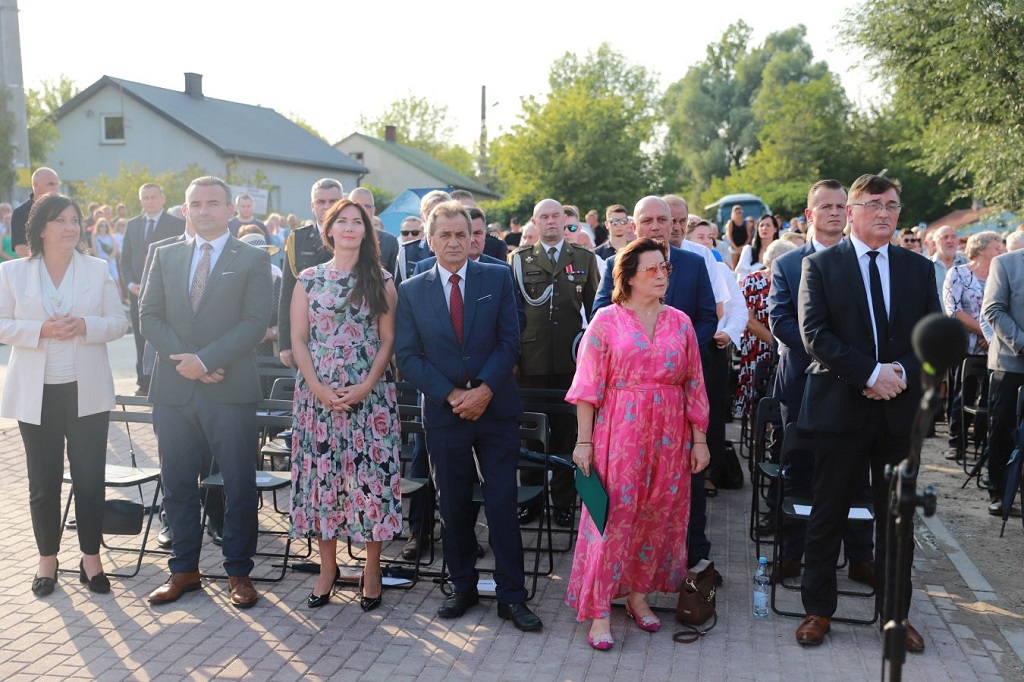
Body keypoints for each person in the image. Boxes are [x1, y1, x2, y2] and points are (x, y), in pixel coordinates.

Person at [795, 174, 939, 652]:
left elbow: (932, 335)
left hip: (899, 413)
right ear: (851, 211)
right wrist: (870, 374)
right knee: (828, 512)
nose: (884, 213)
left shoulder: (917, 268)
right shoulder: (820, 265)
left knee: (898, 520)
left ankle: (895, 615)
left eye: (892, 205)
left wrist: (897, 371)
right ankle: (818, 610)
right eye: (874, 204)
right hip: (840, 409)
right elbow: (815, 334)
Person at [395, 200, 543, 633]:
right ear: (430, 239)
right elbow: (408, 356)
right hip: (445, 414)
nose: (455, 242)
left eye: (462, 233)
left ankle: (512, 595)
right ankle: (462, 586)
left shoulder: (496, 277)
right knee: (453, 504)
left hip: (496, 410)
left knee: (501, 503)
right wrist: (454, 395)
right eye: (445, 234)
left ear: (473, 236)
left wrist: (484, 390)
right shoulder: (411, 290)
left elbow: (510, 340)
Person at [566, 237, 710, 650]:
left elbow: (694, 384)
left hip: (670, 435)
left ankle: (638, 597)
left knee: (658, 517)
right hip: (620, 433)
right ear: (628, 277)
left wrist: (700, 440)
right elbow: (587, 387)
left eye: (665, 268)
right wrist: (583, 442)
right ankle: (598, 611)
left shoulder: (680, 322)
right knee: (613, 519)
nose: (662, 275)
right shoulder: (606, 321)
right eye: (652, 269)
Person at [140, 176, 272, 609]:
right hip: (173, 390)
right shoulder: (164, 253)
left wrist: (208, 359)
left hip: (230, 389)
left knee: (237, 483)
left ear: (230, 209)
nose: (204, 210)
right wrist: (192, 362)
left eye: (213, 203)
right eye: (196, 203)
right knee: (177, 482)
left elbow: (255, 322)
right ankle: (184, 570)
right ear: (185, 210)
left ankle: (239, 572)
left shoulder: (252, 257)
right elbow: (149, 315)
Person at [0, 193, 129, 596]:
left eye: (74, 220)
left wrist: (85, 325)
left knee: (90, 479)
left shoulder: (96, 268)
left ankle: (91, 559)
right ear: (40, 228)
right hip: (35, 394)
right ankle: (47, 560)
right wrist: (39, 329)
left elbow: (119, 321)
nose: (70, 227)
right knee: (44, 482)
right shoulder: (13, 272)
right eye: (60, 220)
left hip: (86, 391)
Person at [288, 198, 401, 611]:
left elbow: (388, 339)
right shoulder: (308, 280)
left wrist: (367, 385)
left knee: (371, 481)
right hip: (317, 398)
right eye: (343, 221)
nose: (350, 227)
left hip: (370, 398)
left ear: (367, 232)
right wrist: (317, 387)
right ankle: (327, 569)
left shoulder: (381, 279)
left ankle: (372, 570)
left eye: (358, 222)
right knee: (325, 480)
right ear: (329, 229)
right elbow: (298, 339)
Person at [768, 179, 874, 585]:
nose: (834, 212)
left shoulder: (864, 261)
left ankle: (861, 556)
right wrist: (831, 357)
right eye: (825, 206)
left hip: (855, 386)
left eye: (840, 206)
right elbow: (781, 321)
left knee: (856, 472)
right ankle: (792, 553)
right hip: (803, 384)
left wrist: (853, 366)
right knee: (798, 470)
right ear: (809, 214)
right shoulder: (788, 265)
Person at [510, 198, 601, 527]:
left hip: (571, 361)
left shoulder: (584, 258)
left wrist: (594, 361)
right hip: (530, 362)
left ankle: (563, 501)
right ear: (534, 223)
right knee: (529, 433)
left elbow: (596, 313)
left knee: (567, 433)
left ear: (565, 220)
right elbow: (512, 313)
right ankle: (531, 499)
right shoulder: (519, 260)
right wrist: (512, 358)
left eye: (555, 216)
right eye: (544, 217)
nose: (550, 221)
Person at [942, 231, 1004, 462]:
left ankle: (982, 443)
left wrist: (993, 336)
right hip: (965, 345)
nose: (1002, 251)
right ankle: (956, 443)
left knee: (989, 397)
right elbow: (953, 310)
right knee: (962, 394)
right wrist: (984, 332)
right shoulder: (958, 273)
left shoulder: (1000, 274)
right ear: (981, 249)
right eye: (997, 247)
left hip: (995, 346)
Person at [121, 184, 187, 396]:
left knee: (166, 336)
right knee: (141, 337)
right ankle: (144, 382)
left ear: (163, 198)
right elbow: (125, 260)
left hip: (166, 294)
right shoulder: (133, 225)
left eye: (153, 197)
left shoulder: (177, 224)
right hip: (138, 293)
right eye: (145, 197)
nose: (149, 201)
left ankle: (168, 379)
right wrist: (130, 284)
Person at [279, 178, 344, 369]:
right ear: (312, 206)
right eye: (321, 202)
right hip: (305, 336)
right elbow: (287, 294)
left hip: (344, 334)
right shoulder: (297, 239)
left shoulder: (353, 235)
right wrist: (285, 344)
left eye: (333, 201)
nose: (327, 207)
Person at [981, 239, 1024, 518]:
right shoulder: (1006, 263)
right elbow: (993, 309)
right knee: (1004, 431)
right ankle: (999, 492)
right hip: (1011, 364)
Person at [734, 240, 795, 417]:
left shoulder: (791, 280)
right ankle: (755, 428)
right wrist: (775, 344)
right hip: (757, 347)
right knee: (756, 396)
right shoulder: (752, 281)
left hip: (786, 346)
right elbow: (749, 319)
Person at [10, 167, 61, 258]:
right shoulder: (20, 213)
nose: (56, 190)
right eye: (51, 184)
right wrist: (51, 259)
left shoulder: (64, 210)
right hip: (35, 265)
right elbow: (21, 250)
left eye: (57, 185)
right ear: (35, 184)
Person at [349, 187, 399, 278]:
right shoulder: (339, 237)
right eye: (357, 205)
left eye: (367, 206)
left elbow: (393, 278)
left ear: (373, 210)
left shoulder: (389, 242)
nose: (362, 210)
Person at [734, 214, 780, 282]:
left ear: (775, 229)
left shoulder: (781, 250)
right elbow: (741, 280)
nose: (764, 228)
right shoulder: (748, 250)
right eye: (761, 225)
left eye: (768, 225)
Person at [930, 225, 968, 295]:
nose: (950, 241)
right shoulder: (926, 266)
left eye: (953, 237)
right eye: (945, 237)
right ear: (934, 244)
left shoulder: (967, 263)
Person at [91, 218, 120, 283]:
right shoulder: (95, 236)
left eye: (105, 226)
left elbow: (115, 249)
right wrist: (100, 260)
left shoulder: (111, 236)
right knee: (101, 281)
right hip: (99, 260)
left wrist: (108, 259)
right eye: (101, 225)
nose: (103, 228)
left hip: (110, 260)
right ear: (98, 226)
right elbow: (94, 249)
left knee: (115, 281)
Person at [724, 204, 748, 269]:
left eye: (740, 212)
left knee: (743, 265)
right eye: (736, 213)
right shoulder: (731, 223)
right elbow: (729, 236)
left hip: (743, 247)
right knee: (734, 267)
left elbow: (749, 236)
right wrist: (735, 247)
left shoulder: (746, 223)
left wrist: (743, 246)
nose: (738, 214)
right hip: (733, 247)